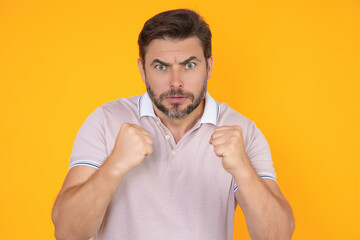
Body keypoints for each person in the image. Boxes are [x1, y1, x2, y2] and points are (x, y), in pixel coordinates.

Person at [52, 9, 295, 240]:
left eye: (189, 65)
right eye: (161, 67)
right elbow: (67, 232)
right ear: (142, 70)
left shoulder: (243, 131)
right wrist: (115, 165)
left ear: (208, 66)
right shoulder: (106, 120)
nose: (175, 82)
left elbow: (277, 235)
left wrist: (242, 169)